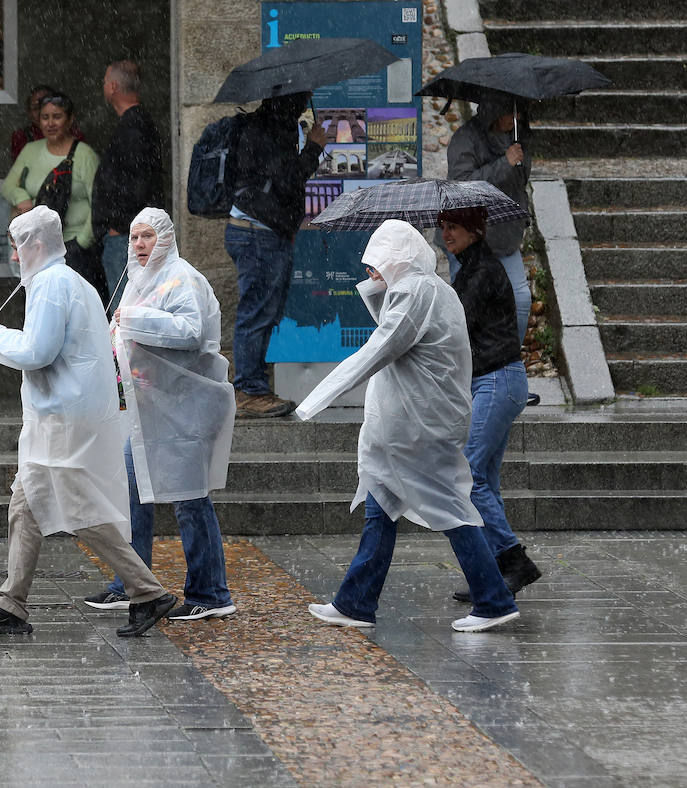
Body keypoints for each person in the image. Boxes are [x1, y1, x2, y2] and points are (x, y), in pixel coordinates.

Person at [296, 220, 520, 633]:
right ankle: (356, 602)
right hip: (413, 427)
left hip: (420, 430)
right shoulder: (428, 290)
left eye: (378, 260)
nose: (370, 269)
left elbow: (383, 345)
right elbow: (394, 333)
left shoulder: (418, 291)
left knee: (450, 509)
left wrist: (314, 400)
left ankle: (493, 599)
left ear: (400, 257)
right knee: (381, 508)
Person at [0, 205, 177, 637]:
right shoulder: (70, 281)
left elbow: (38, 352)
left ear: (35, 245)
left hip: (61, 420)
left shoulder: (51, 284)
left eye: (16, 246)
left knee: (79, 512)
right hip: (62, 417)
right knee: (25, 507)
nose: (14, 255)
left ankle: (148, 592)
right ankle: (11, 603)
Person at [82, 208, 237, 620]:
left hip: (184, 411)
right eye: (134, 238)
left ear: (165, 238)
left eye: (147, 236)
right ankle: (133, 584)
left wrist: (130, 319)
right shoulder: (138, 281)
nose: (138, 245)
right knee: (132, 492)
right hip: (150, 411)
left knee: (189, 497)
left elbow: (190, 332)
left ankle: (211, 593)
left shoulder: (182, 278)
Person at [438, 207, 543, 604]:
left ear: (475, 230)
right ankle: (495, 574)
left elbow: (456, 324)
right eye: (443, 227)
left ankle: (512, 560)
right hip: (493, 381)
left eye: (454, 228)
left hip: (497, 380)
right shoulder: (470, 269)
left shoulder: (481, 271)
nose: (446, 234)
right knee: (483, 479)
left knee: (469, 474)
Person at [225, 91, 325, 418]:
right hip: (258, 233)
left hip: (261, 231)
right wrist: (314, 147)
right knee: (256, 312)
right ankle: (249, 391)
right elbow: (287, 181)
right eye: (303, 97)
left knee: (263, 312)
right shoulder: (270, 131)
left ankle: (254, 387)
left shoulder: (265, 126)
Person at [1, 91, 104, 303]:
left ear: (70, 119)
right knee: (39, 304)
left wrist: (82, 242)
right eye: (45, 117)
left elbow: (99, 201)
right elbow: (9, 185)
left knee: (73, 305)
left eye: (57, 116)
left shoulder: (84, 154)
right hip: (38, 248)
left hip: (74, 245)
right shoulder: (30, 150)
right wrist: (22, 199)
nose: (50, 123)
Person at [446, 100, 532, 345]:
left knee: (521, 299)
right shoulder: (465, 139)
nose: (514, 117)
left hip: (504, 235)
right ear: (495, 111)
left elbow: (519, 183)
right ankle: (468, 362)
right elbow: (462, 187)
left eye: (518, 111)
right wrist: (504, 163)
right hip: (467, 238)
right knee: (468, 305)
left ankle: (509, 358)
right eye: (509, 111)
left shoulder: (517, 136)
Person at [91, 61, 164, 303]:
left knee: (126, 313)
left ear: (113, 87)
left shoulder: (133, 128)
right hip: (127, 233)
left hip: (125, 236)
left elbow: (136, 185)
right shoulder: (136, 124)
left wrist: (119, 226)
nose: (103, 85)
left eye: (104, 81)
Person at [9, 84, 84, 161]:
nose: (41, 112)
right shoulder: (21, 136)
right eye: (35, 108)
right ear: (29, 112)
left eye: (45, 106)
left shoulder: (73, 132)